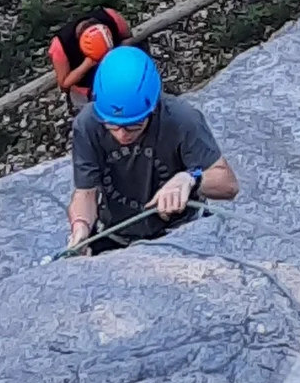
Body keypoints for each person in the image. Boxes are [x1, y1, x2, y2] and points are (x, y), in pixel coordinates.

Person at [67, 45, 238, 252]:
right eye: (112, 125)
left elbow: (228, 185)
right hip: (117, 235)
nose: (122, 134)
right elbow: (86, 193)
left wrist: (191, 179)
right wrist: (81, 228)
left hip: (182, 232)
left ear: (153, 108)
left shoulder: (182, 120)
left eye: (133, 125)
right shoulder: (88, 125)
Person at [47, 5, 131, 111]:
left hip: (118, 74)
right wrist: (88, 64)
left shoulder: (110, 17)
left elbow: (128, 37)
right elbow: (64, 84)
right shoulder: (61, 45)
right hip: (85, 91)